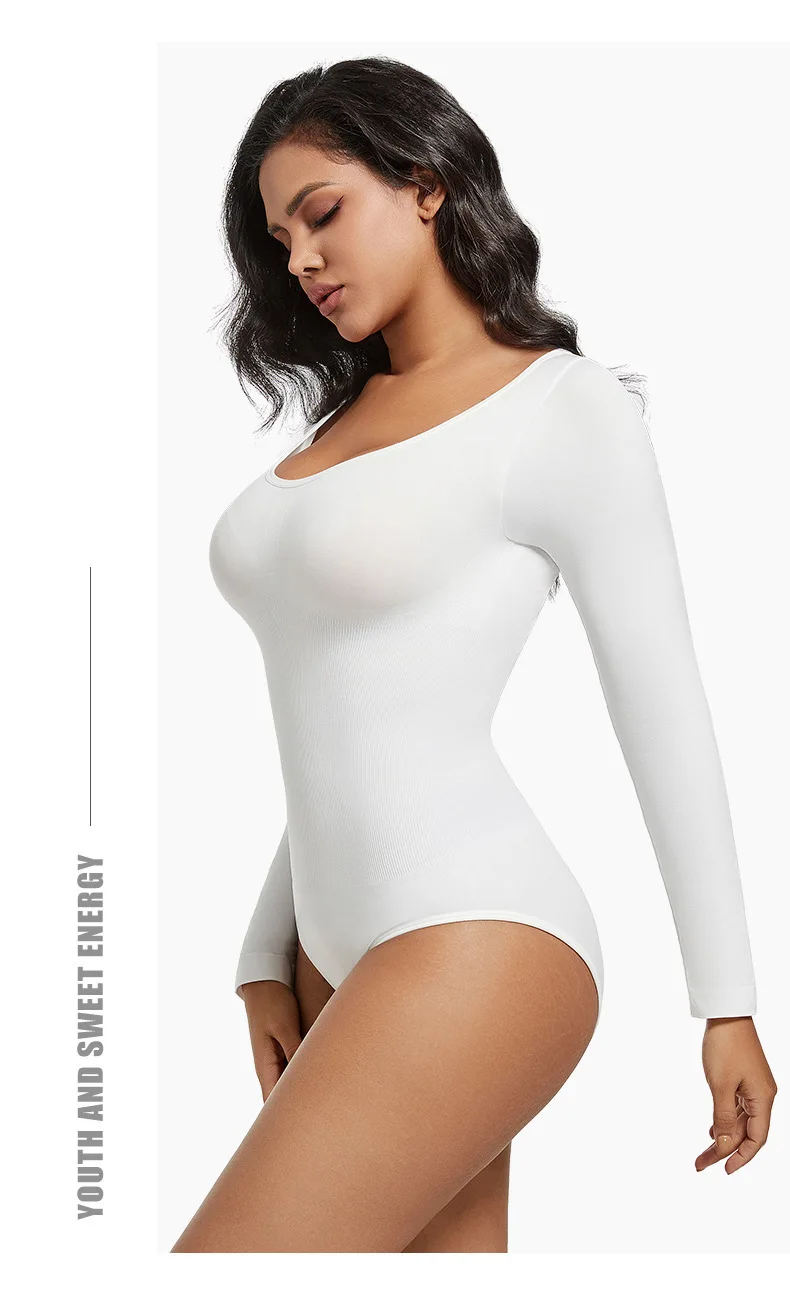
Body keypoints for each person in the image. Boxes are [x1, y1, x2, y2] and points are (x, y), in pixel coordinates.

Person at [171, 55, 777, 1253]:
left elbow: (663, 711)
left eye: (323, 213)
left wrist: (727, 1005)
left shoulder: (561, 409)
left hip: (476, 931)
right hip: (326, 952)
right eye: (279, 239)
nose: (300, 261)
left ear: (427, 183)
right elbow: (351, 716)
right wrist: (261, 949)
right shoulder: (343, 423)